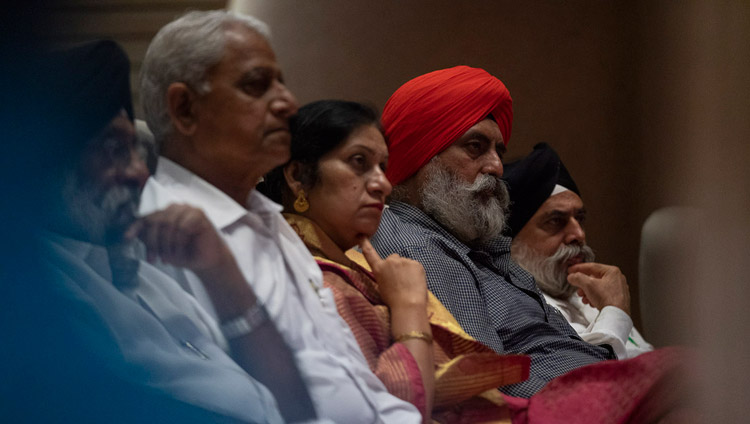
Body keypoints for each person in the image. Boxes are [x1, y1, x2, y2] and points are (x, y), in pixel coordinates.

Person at [3, 39, 309, 423]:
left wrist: (219, 273)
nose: (138, 172)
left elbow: (292, 402)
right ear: (44, 166)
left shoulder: (144, 265)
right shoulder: (35, 299)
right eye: (113, 149)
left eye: (135, 149)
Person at [139, 10, 422, 423]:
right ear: (185, 109)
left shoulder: (267, 220)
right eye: (256, 86)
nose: (288, 104)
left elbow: (352, 379)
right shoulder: (160, 232)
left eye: (281, 84)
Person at [260, 99, 530, 423]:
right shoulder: (305, 281)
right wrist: (408, 306)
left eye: (382, 168)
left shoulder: (355, 266)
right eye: (358, 162)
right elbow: (401, 415)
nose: (383, 184)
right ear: (298, 177)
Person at [370, 65, 615, 398]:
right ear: (423, 156)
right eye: (475, 147)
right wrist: (612, 392)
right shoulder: (417, 244)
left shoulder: (474, 244)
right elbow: (485, 382)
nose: (497, 167)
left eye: (498, 151)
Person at [504, 142, 654, 359]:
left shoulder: (588, 294)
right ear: (512, 240)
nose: (579, 234)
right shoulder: (515, 307)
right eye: (556, 221)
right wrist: (614, 311)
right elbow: (587, 381)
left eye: (580, 219)